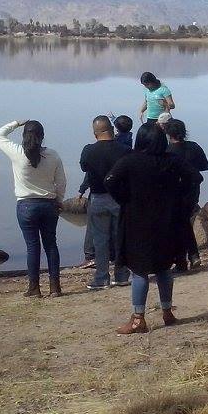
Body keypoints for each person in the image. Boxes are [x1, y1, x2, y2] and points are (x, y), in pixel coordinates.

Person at [105, 123, 202, 334]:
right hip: (167, 220)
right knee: (164, 268)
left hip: (137, 221)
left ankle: (138, 319)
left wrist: (124, 198)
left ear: (140, 139)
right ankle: (167, 313)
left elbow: (110, 180)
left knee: (139, 270)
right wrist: (180, 198)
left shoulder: (130, 161)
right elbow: (196, 177)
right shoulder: (172, 160)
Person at [0, 120, 67, 298]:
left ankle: (34, 288)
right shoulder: (53, 155)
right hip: (49, 205)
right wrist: (59, 200)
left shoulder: (17, 152)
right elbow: (61, 182)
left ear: (24, 135)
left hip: (26, 206)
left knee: (32, 247)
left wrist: (16, 123)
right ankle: (55, 287)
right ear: (42, 136)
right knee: (51, 245)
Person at [79, 115, 132, 290]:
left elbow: (84, 167)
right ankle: (122, 275)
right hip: (119, 198)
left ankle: (102, 278)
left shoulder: (88, 150)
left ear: (95, 132)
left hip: (98, 197)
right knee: (121, 238)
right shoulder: (124, 150)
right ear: (111, 129)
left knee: (100, 241)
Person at [165, 119, 208, 269]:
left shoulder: (167, 152)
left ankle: (183, 260)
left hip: (175, 193)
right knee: (184, 222)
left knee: (179, 225)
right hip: (193, 190)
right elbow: (205, 166)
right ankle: (191, 256)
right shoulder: (194, 146)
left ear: (168, 133)